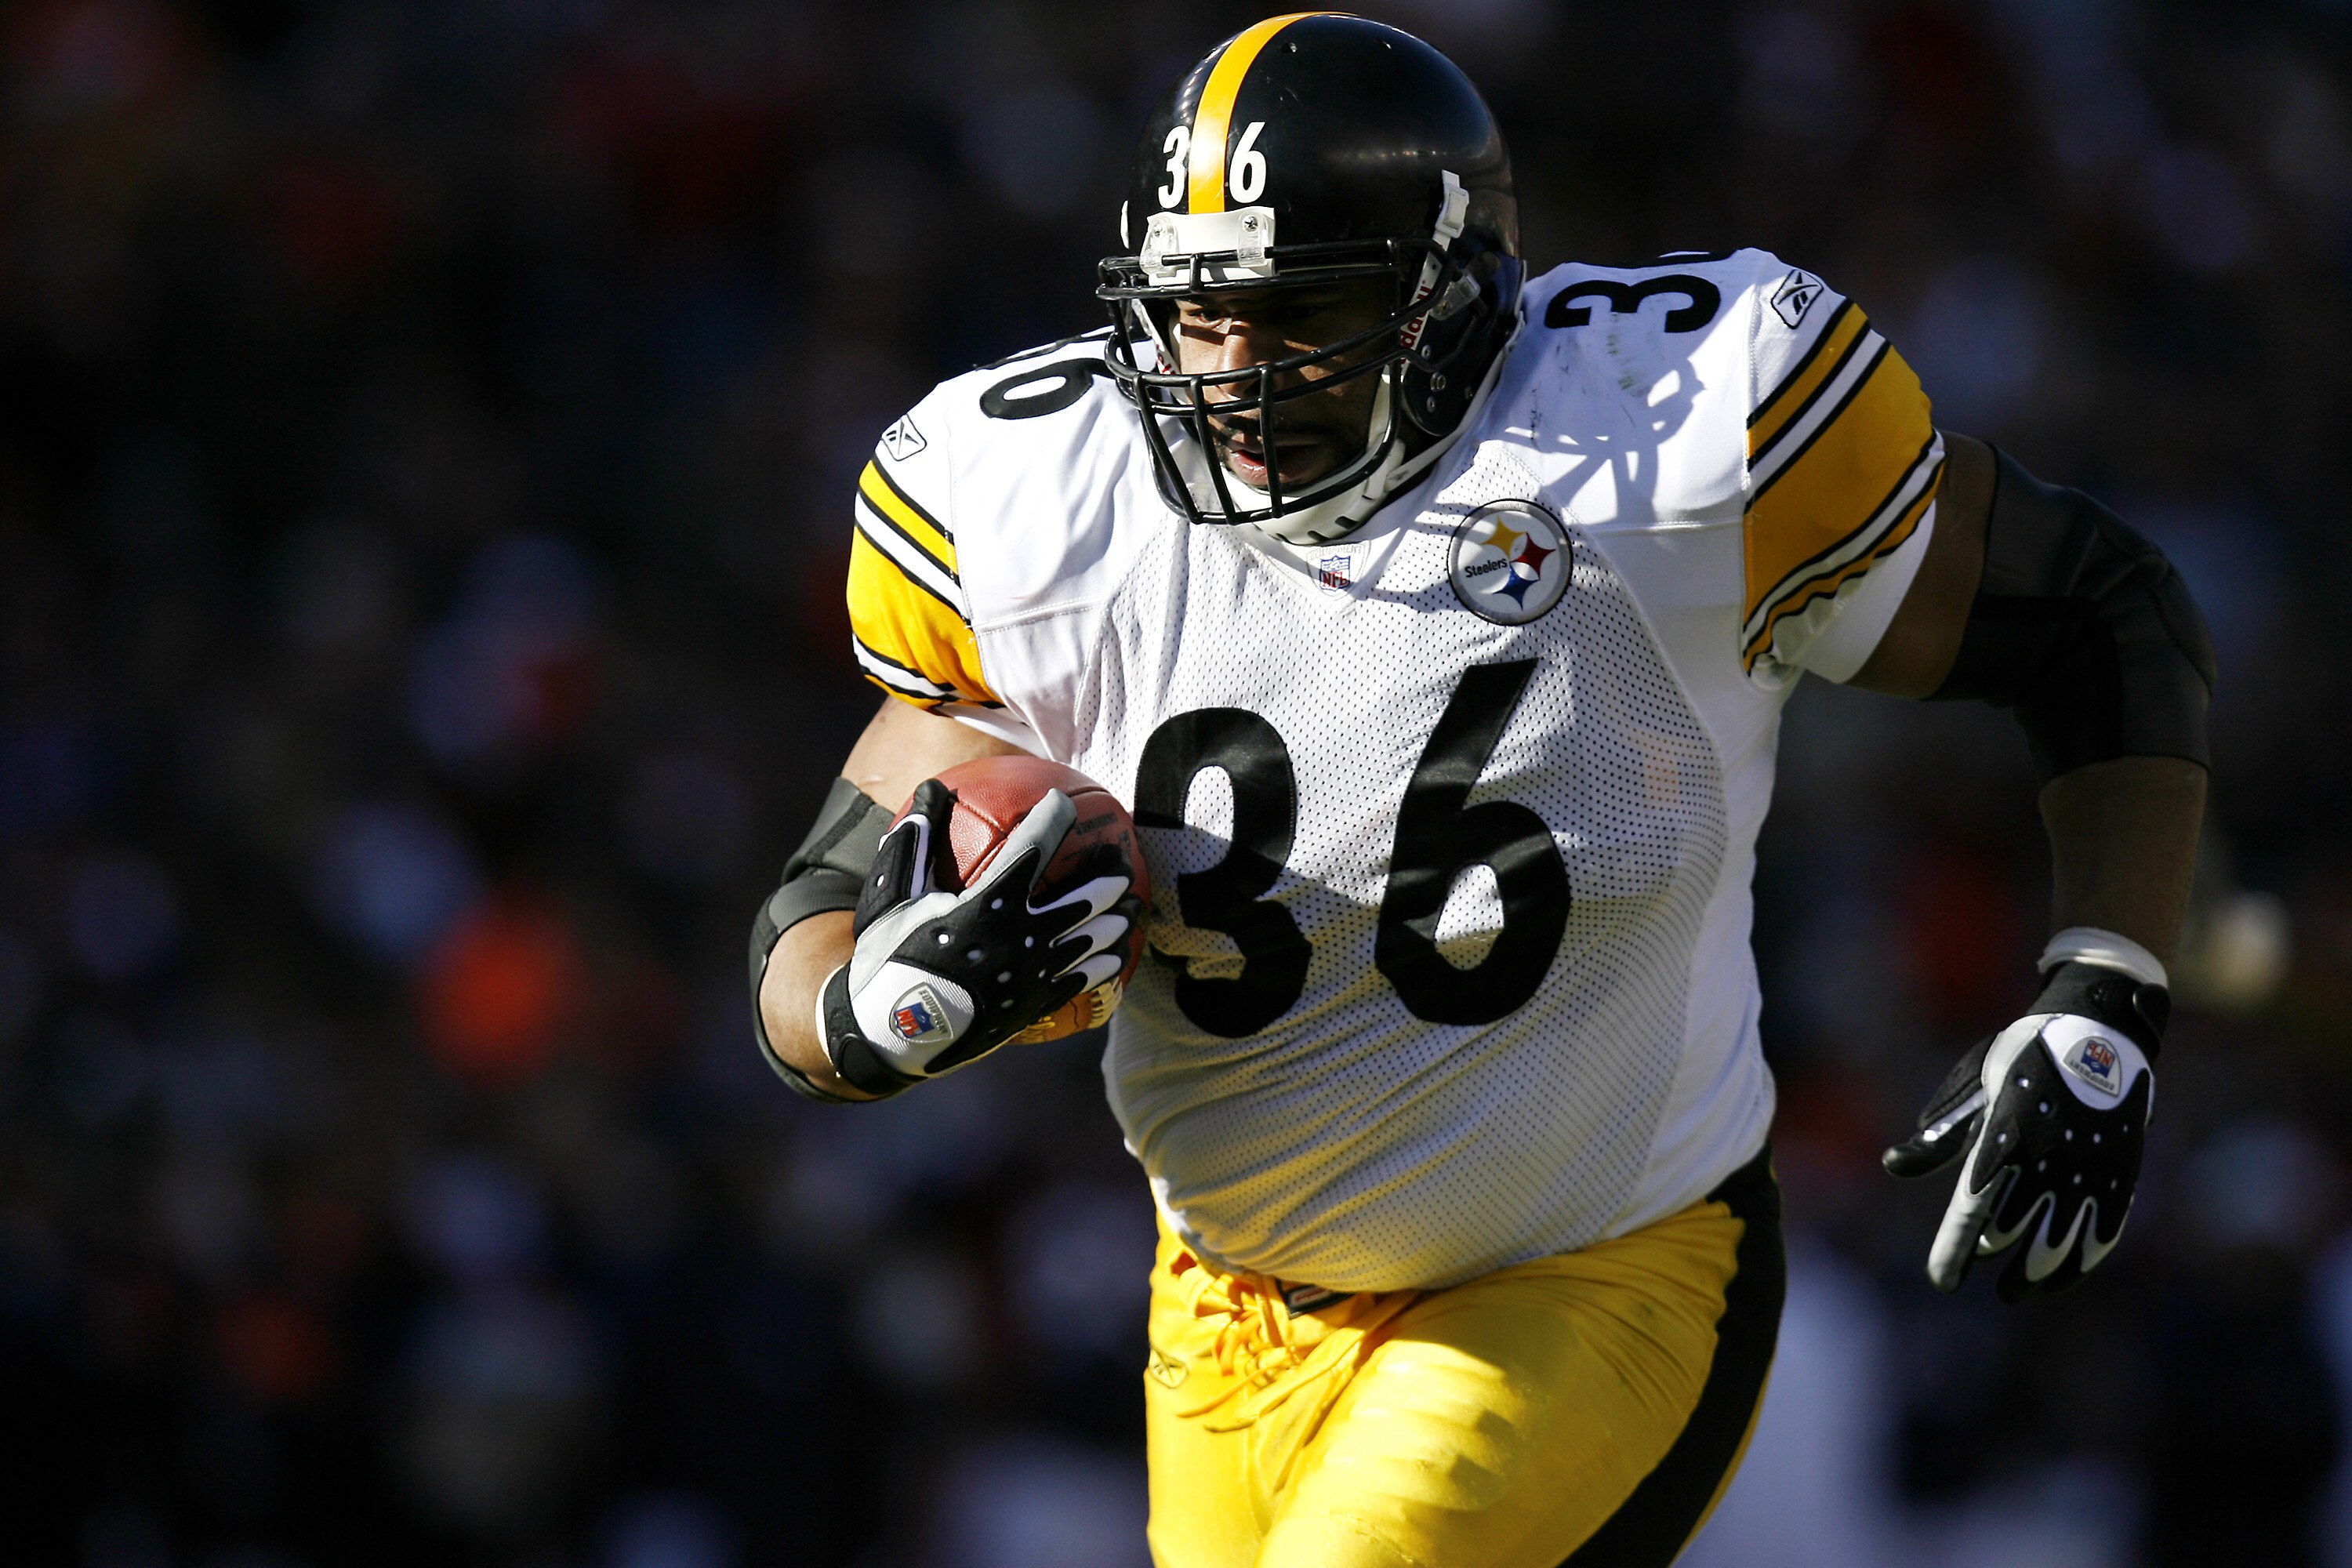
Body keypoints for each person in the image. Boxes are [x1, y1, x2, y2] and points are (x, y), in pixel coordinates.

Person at [746, 14, 2215, 1566]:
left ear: (1447, 294)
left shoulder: (1688, 439)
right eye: (1198, 314)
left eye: (1295, 311)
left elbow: (2099, 611)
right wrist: (884, 1012)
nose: (1234, 375)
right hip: (1224, 1315)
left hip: (1599, 1275)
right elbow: (805, 932)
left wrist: (2106, 986)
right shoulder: (1034, 508)